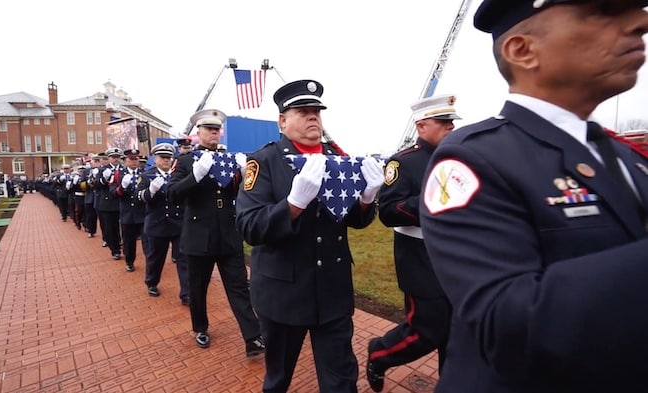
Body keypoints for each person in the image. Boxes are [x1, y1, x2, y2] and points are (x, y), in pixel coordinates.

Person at [418, 2, 648, 392]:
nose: (640, 22)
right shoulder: (474, 157)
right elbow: (506, 323)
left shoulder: (623, 155)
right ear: (522, 50)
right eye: (601, 13)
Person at [235, 80, 385, 392]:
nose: (313, 116)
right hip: (284, 293)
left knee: (342, 381)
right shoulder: (264, 161)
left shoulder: (337, 158)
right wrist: (292, 205)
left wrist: (367, 198)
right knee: (278, 380)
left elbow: (354, 220)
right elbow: (249, 226)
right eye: (303, 111)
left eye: (316, 110)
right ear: (282, 120)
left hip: (332, 290)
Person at [365, 95, 459, 392]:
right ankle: (379, 354)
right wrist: (430, 202)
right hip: (421, 260)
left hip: (457, 259)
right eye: (442, 122)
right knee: (426, 331)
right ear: (421, 126)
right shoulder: (403, 162)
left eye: (451, 121)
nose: (451, 127)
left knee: (457, 333)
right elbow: (389, 211)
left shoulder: (459, 158)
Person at [167, 108, 265, 358]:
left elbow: (241, 193)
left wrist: (246, 177)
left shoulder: (231, 159)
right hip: (199, 235)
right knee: (198, 288)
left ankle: (252, 337)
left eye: (216, 129)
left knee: (239, 286)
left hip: (228, 233)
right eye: (208, 129)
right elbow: (173, 193)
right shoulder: (186, 161)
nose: (213, 133)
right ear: (197, 133)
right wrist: (195, 176)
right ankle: (200, 327)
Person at [137, 143, 189, 303]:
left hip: (178, 223)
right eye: (163, 157)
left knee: (184, 260)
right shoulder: (147, 176)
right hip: (157, 224)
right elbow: (138, 197)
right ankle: (152, 282)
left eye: (168, 158)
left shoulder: (178, 174)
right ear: (156, 159)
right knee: (155, 258)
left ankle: (186, 293)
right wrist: (150, 191)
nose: (166, 161)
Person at [112, 149, 147, 271]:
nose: (133, 162)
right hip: (128, 212)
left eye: (135, 159)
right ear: (125, 160)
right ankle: (129, 261)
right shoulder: (118, 174)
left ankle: (151, 262)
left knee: (148, 240)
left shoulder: (145, 173)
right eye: (131, 159)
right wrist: (122, 187)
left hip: (143, 212)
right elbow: (113, 193)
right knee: (129, 241)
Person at [95, 147, 123, 260]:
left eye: (117, 157)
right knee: (111, 228)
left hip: (122, 201)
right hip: (108, 203)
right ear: (109, 158)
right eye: (113, 157)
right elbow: (96, 185)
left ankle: (124, 245)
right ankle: (115, 250)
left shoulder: (124, 169)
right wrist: (103, 179)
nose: (115, 159)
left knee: (124, 227)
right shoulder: (102, 170)